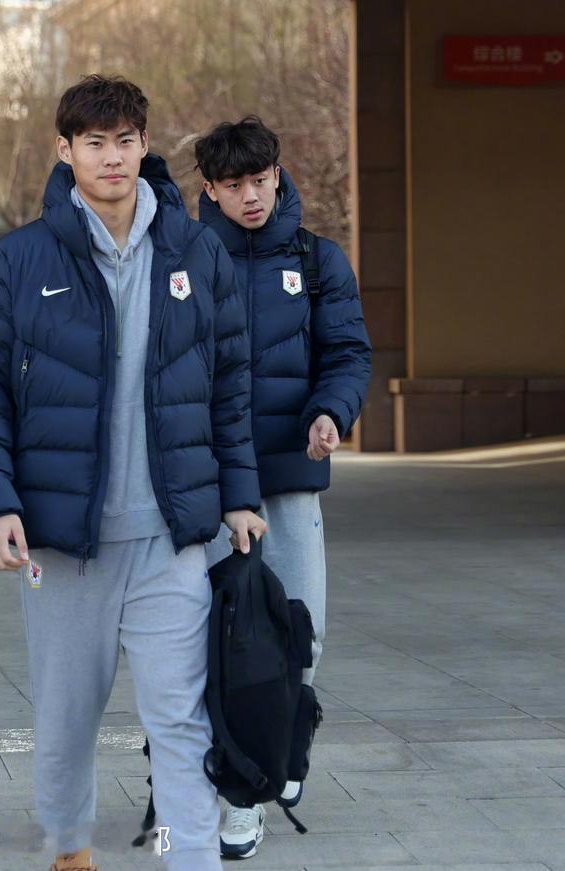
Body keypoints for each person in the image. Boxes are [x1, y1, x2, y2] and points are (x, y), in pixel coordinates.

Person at [0, 75, 266, 871]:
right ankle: (71, 854)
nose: (113, 157)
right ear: (65, 150)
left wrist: (240, 495)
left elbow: (229, 382)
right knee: (66, 724)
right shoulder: (21, 258)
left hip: (171, 538)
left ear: (145, 143)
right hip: (65, 543)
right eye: (94, 142)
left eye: (126, 140)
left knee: (182, 721)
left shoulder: (194, 250)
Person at [194, 115, 372, 860]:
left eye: (261, 180)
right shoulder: (184, 258)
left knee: (303, 627)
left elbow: (348, 352)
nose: (251, 196)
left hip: (290, 474)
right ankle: (238, 788)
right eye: (234, 185)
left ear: (277, 174)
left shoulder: (317, 259)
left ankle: (285, 741)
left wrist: (331, 412)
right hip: (209, 478)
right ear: (210, 189)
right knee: (221, 638)